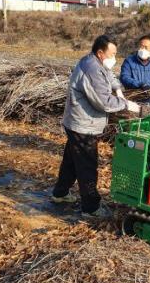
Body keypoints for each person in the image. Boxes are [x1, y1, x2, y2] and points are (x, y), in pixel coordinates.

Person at [51, 35, 141, 219]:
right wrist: (126, 104)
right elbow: (103, 102)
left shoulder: (95, 62)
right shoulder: (92, 68)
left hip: (77, 122)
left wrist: (117, 88)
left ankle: (60, 193)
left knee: (71, 160)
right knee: (87, 166)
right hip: (83, 125)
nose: (114, 58)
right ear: (100, 53)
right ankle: (91, 208)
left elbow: (109, 75)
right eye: (112, 54)